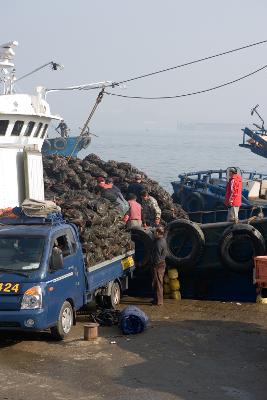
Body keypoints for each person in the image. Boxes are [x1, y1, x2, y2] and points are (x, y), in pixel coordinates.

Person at [150, 226, 167, 306]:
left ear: (158, 232)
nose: (154, 234)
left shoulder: (158, 243)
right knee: (157, 282)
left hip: (158, 265)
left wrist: (154, 265)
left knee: (158, 283)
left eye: (155, 232)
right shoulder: (163, 240)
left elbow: (157, 256)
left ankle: (159, 302)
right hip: (162, 263)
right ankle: (156, 299)